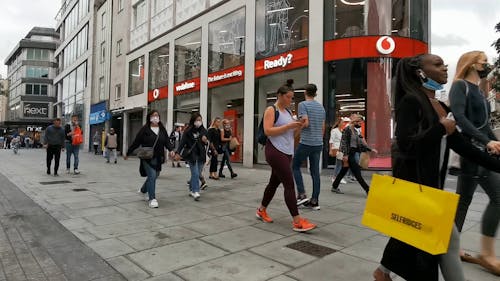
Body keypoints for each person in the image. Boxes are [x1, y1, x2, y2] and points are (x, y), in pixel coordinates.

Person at [373, 54, 500, 281]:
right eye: (438, 64)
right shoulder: (411, 102)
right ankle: (382, 272)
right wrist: (441, 129)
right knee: (442, 244)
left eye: (444, 64)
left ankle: (382, 272)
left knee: (427, 239)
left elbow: (461, 146)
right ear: (420, 72)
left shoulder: (440, 106)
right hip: (417, 189)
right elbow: (407, 146)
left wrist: (496, 164)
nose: (445, 68)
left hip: (432, 189)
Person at [448, 51, 500, 275]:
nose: (487, 66)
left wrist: (495, 142)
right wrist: (485, 141)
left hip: (480, 152)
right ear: (471, 65)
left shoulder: (479, 90)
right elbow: (460, 118)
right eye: (484, 62)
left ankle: (449, 246)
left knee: (463, 201)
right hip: (472, 152)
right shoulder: (461, 86)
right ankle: (486, 254)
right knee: (498, 197)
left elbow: (484, 125)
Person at [256, 81, 317, 233]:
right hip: (274, 151)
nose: (291, 100)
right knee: (289, 184)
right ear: (280, 96)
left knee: (273, 183)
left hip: (287, 151)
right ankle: (297, 221)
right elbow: (268, 131)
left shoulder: (289, 113)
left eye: (292, 98)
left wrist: (299, 127)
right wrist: (289, 126)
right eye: (288, 97)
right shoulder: (271, 110)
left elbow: (291, 136)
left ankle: (261, 210)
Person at [124, 110, 173, 208]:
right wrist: (128, 153)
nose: (156, 117)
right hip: (147, 157)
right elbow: (136, 142)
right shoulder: (144, 129)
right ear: (150, 117)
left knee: (155, 175)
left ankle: (143, 190)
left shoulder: (162, 129)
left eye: (157, 115)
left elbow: (167, 141)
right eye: (154, 115)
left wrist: (171, 150)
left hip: (158, 157)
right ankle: (152, 199)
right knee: (152, 175)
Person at [292, 84, 326, 210]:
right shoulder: (321, 108)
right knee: (315, 172)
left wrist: (296, 130)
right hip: (318, 144)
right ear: (315, 93)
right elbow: (322, 128)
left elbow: (305, 122)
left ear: (306, 92)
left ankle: (301, 194)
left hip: (306, 142)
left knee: (295, 166)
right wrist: (319, 139)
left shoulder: (303, 105)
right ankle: (315, 201)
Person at [331, 114, 377, 194]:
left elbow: (360, 143)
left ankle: (334, 186)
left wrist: (370, 149)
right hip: (348, 154)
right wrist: (345, 155)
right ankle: (368, 190)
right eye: (359, 123)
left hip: (352, 153)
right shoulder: (347, 129)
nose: (360, 124)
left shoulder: (355, 131)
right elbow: (344, 143)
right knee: (357, 172)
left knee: (343, 171)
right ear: (355, 122)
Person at [174, 112, 209, 201]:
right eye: (197, 120)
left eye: (200, 120)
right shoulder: (188, 131)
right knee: (195, 173)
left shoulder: (203, 130)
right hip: (191, 155)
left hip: (201, 154)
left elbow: (207, 140)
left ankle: (191, 188)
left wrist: (205, 140)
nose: (199, 122)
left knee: (197, 173)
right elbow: (182, 143)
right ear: (193, 121)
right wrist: (178, 153)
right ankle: (195, 191)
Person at [329, 117, 350, 185]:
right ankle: (336, 177)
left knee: (340, 163)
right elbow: (331, 140)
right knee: (339, 163)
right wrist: (330, 149)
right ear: (339, 123)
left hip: (342, 148)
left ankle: (337, 177)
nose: (344, 123)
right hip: (337, 148)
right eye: (342, 122)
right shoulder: (334, 131)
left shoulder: (343, 130)